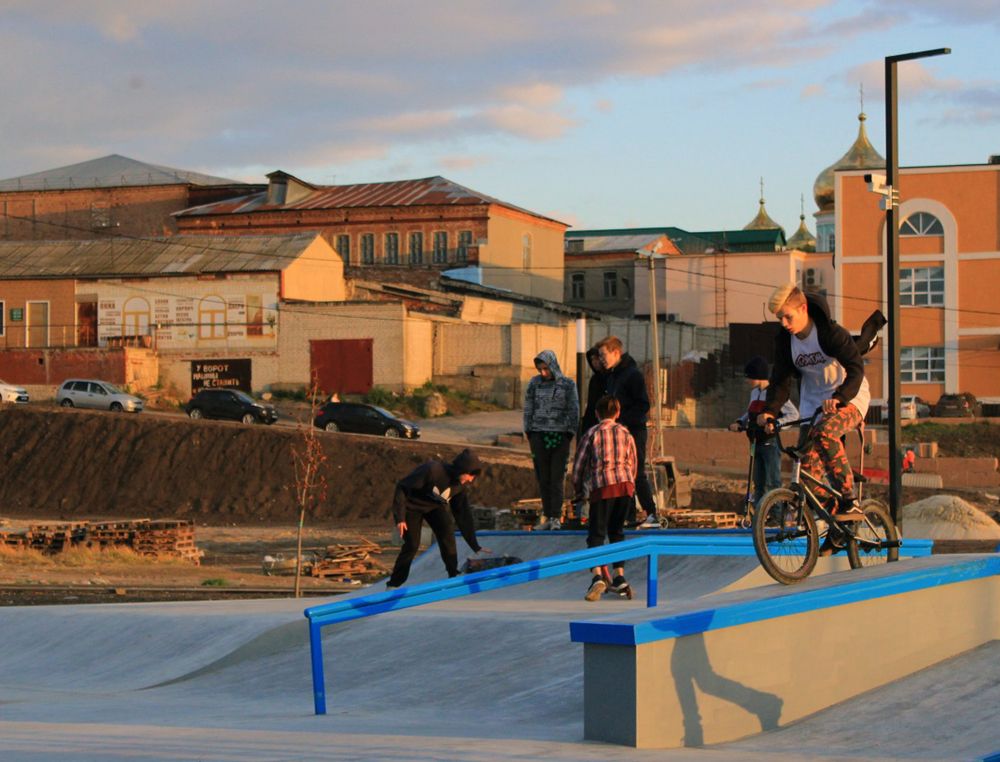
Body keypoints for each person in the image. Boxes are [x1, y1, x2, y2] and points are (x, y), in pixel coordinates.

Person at [757, 284, 871, 554]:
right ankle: (838, 524)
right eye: (780, 319)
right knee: (806, 479)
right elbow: (780, 381)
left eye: (788, 317)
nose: (784, 324)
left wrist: (841, 397)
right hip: (813, 405)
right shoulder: (786, 342)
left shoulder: (830, 333)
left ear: (803, 308)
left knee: (825, 433)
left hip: (849, 398)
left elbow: (856, 368)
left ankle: (849, 500)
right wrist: (770, 411)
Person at [386, 448, 485, 588]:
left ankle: (453, 573)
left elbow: (463, 515)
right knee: (412, 545)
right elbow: (402, 487)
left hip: (434, 508)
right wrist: (400, 517)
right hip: (411, 507)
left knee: (447, 531)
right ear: (462, 470)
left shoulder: (459, 487)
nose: (470, 479)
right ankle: (394, 584)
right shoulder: (432, 470)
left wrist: (474, 545)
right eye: (470, 475)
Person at [572, 395, 637, 601]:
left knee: (596, 534)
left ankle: (597, 576)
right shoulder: (626, 433)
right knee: (617, 532)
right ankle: (619, 575)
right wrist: (630, 486)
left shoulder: (592, 433)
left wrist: (579, 492)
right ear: (618, 413)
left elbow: (579, 466)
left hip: (602, 487)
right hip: (625, 486)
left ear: (596, 414)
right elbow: (634, 463)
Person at [596, 336, 657, 528]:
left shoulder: (632, 375)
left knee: (636, 471)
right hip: (619, 432)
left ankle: (651, 512)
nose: (602, 360)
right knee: (622, 473)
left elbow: (643, 404)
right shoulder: (612, 376)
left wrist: (623, 420)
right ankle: (628, 516)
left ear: (616, 353)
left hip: (634, 430)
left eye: (604, 355)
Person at [728, 356, 798, 511]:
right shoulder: (755, 393)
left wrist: (776, 425)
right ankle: (760, 516)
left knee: (772, 482)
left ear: (757, 376)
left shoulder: (775, 394)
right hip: (755, 443)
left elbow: (793, 415)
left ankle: (777, 515)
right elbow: (750, 413)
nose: (747, 381)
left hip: (770, 443)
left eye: (749, 377)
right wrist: (740, 422)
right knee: (759, 483)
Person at [524, 350, 579, 530]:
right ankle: (547, 515)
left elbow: (573, 409)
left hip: (560, 436)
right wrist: (529, 430)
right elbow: (528, 407)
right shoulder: (534, 383)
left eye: (546, 368)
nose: (543, 373)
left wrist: (570, 431)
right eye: (540, 369)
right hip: (538, 435)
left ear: (553, 366)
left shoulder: (567, 384)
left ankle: (555, 516)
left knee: (556, 478)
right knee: (543, 478)